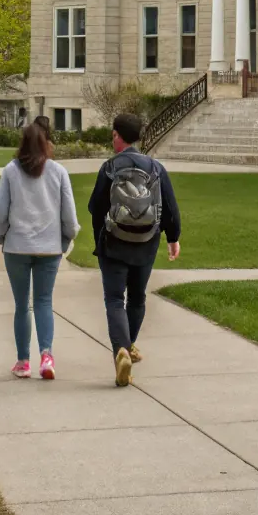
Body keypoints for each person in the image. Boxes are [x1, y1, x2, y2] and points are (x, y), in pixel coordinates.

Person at [87, 112, 181, 388]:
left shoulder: (109, 167)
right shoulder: (155, 167)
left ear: (117, 135)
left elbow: (95, 207)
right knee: (137, 298)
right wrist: (172, 238)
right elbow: (171, 210)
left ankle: (122, 351)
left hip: (114, 242)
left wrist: (100, 238)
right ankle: (128, 347)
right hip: (146, 243)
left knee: (115, 299)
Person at [0, 121, 79, 380]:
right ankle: (47, 355)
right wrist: (66, 238)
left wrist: (0, 235)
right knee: (43, 301)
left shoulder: (11, 171)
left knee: (21, 305)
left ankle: (23, 361)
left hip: (16, 247)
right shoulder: (58, 172)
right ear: (46, 143)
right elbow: (69, 217)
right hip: (49, 248)